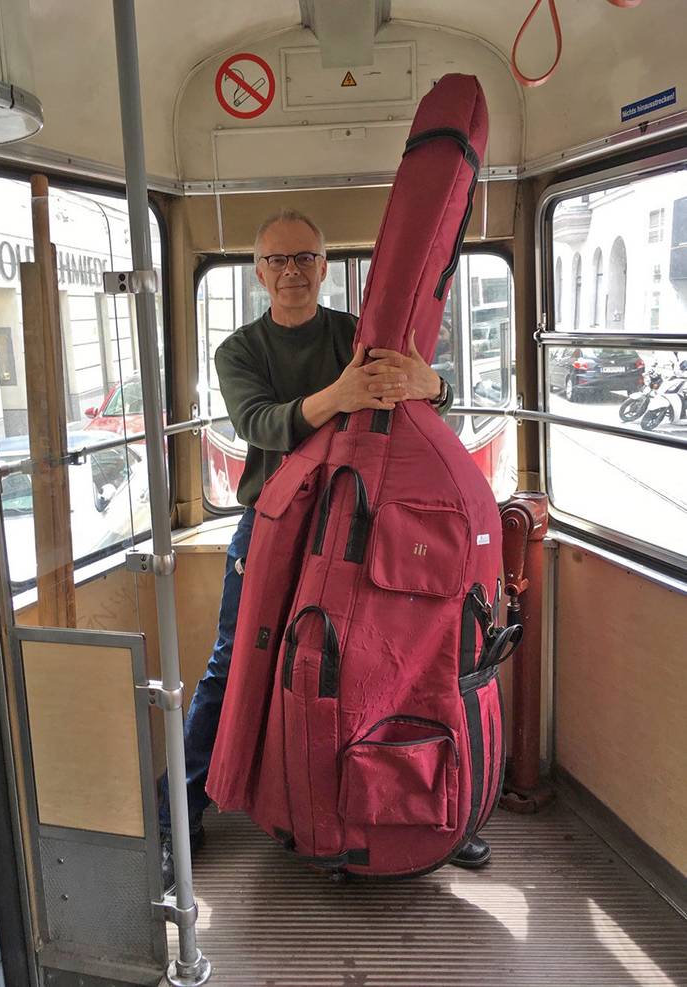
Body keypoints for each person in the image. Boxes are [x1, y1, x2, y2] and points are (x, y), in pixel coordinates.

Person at [159, 208, 491, 886]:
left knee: (378, 663)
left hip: (354, 518)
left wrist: (434, 385)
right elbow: (261, 423)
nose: (291, 273)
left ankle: (420, 821)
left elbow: (425, 403)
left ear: (324, 266)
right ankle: (177, 821)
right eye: (278, 260)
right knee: (234, 660)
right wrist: (340, 393)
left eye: (304, 259)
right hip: (274, 521)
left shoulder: (354, 335)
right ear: (257, 271)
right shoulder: (240, 350)